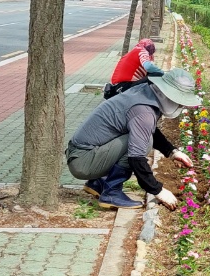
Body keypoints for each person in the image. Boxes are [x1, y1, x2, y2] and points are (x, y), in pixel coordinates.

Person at [66, 64, 200, 210]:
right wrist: (158, 190)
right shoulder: (144, 111)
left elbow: (147, 129)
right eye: (179, 101)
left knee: (143, 136)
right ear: (166, 93)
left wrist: (172, 152)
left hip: (82, 153)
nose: (180, 105)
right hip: (83, 162)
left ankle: (98, 183)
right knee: (144, 142)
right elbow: (136, 158)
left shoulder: (145, 92)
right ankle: (112, 193)